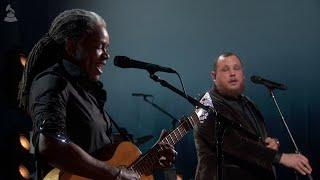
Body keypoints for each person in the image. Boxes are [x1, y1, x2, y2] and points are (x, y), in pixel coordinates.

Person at [18, 9, 176, 180]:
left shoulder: (87, 91)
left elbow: (100, 154)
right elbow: (50, 145)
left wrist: (150, 160)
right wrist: (115, 174)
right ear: (72, 47)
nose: (107, 55)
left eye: (107, 48)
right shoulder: (52, 82)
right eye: (100, 46)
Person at [193, 52, 312, 180]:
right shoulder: (204, 105)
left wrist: (272, 143)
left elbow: (256, 140)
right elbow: (233, 143)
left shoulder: (249, 104)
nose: (232, 73)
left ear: (243, 74)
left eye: (236, 68)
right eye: (225, 69)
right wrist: (280, 157)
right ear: (214, 76)